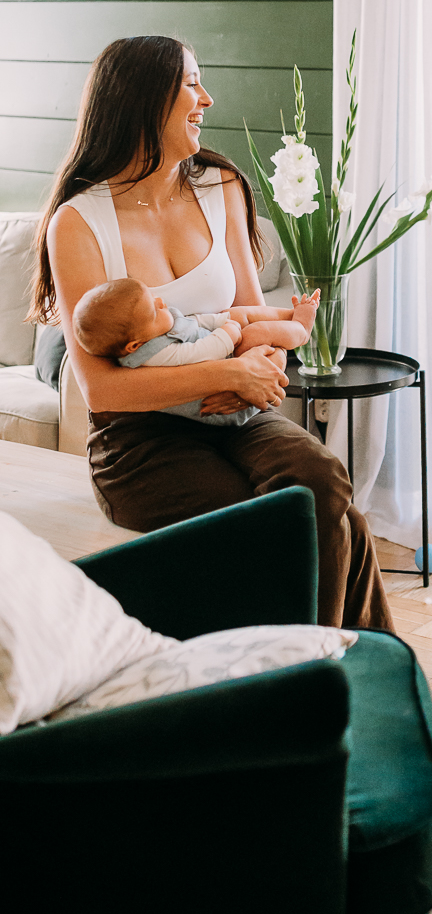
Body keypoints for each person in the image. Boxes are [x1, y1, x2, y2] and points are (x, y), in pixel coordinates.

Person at [31, 35, 393, 632]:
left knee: (324, 482)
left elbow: (256, 317)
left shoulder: (220, 186)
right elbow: (102, 391)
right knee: (286, 521)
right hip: (140, 440)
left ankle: (327, 672)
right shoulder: (77, 223)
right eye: (191, 84)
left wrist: (261, 366)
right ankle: (332, 673)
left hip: (236, 413)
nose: (208, 98)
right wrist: (226, 371)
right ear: (144, 101)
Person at [72, 277, 321, 428]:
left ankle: (290, 316)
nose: (161, 302)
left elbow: (196, 323)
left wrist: (223, 320)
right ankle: (300, 329)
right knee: (254, 334)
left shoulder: (152, 330)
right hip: (225, 402)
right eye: (153, 309)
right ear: (134, 346)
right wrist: (229, 333)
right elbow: (200, 353)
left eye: (154, 297)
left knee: (238, 314)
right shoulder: (153, 355)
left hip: (238, 371)